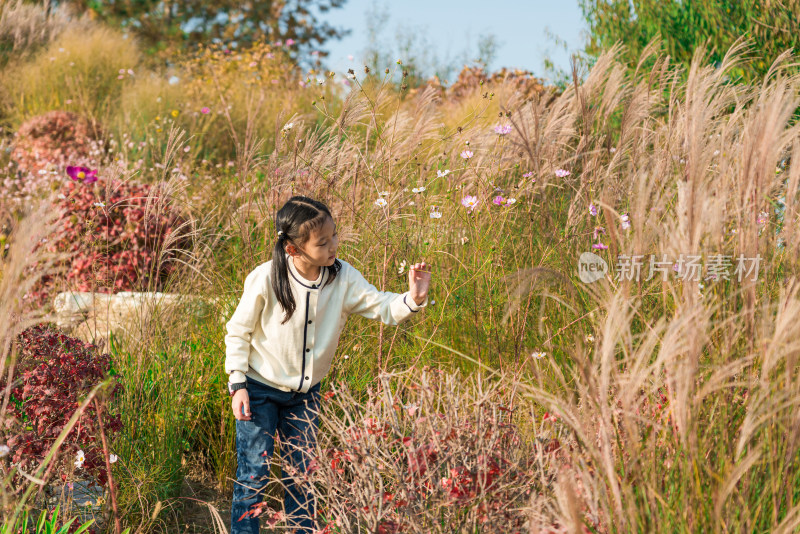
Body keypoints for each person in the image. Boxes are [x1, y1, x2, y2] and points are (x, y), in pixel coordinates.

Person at [224, 195, 433, 533]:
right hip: (258, 390)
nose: (334, 245)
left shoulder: (343, 277)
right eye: (323, 242)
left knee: (303, 479)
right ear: (293, 249)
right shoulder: (265, 279)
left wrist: (413, 298)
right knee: (254, 475)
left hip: (306, 396)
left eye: (334, 235)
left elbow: (381, 306)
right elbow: (238, 332)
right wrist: (237, 384)